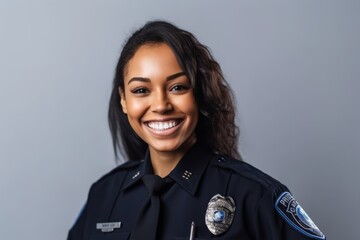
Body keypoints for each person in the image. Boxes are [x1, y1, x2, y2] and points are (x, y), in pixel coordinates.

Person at [67, 20, 326, 240]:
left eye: (177, 87)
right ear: (124, 100)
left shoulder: (254, 195)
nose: (160, 105)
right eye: (141, 90)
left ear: (199, 93)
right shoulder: (104, 195)